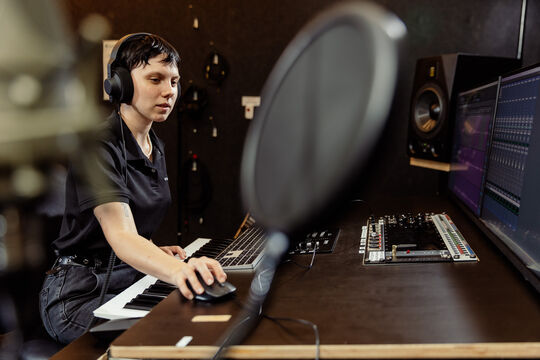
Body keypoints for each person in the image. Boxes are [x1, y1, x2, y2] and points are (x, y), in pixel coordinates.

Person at [39, 33, 226, 344]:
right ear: (120, 85)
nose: (169, 91)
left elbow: (134, 232)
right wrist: (180, 271)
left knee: (192, 317)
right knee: (168, 332)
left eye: (174, 81)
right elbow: (121, 235)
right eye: (155, 79)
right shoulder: (97, 145)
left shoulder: (156, 147)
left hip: (129, 278)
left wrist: (153, 251)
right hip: (78, 294)